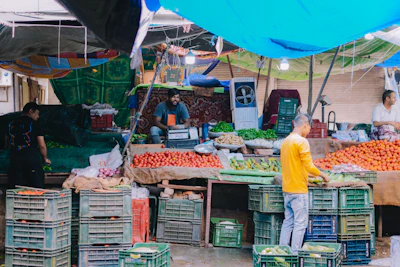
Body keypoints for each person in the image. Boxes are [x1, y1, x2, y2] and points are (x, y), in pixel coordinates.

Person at [279, 114, 329, 254]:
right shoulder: (301, 142)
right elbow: (309, 166)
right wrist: (323, 174)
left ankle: (282, 251)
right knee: (300, 224)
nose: (309, 131)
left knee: (288, 222)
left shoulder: (286, 141)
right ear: (305, 125)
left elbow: (295, 165)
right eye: (309, 128)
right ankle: (295, 254)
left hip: (287, 189)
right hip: (298, 190)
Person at [7, 102, 51, 188]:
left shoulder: (11, 124)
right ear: (31, 111)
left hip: (14, 161)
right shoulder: (35, 124)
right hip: (31, 161)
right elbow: (42, 145)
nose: (38, 117)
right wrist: (45, 158)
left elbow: (7, 142)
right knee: (36, 190)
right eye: (37, 114)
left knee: (17, 190)